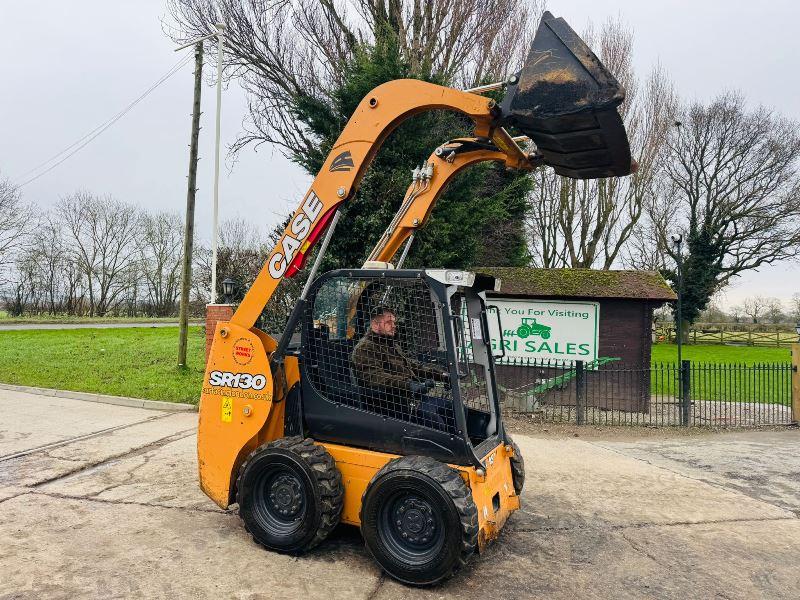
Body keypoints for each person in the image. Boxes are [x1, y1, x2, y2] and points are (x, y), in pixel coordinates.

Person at [351, 305, 451, 429]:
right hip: (392, 405)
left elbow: (413, 366)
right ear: (375, 325)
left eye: (394, 322)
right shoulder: (365, 348)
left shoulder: (391, 344)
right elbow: (374, 377)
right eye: (388, 322)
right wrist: (409, 385)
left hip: (413, 399)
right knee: (436, 422)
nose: (393, 326)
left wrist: (441, 375)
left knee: (454, 409)